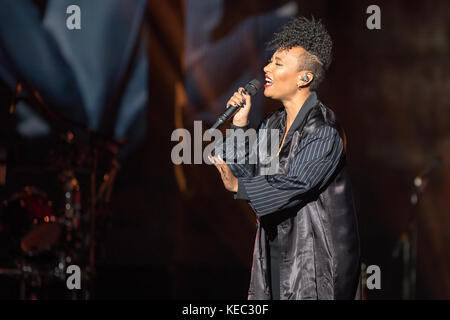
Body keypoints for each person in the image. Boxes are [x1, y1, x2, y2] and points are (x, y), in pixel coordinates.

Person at [209, 16, 361, 300]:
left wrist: (240, 188)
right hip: (276, 259)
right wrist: (240, 126)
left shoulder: (324, 130)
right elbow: (255, 181)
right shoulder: (273, 126)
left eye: (278, 63)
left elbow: (293, 184)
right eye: (270, 61)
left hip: (315, 270)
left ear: (305, 78)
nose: (266, 68)